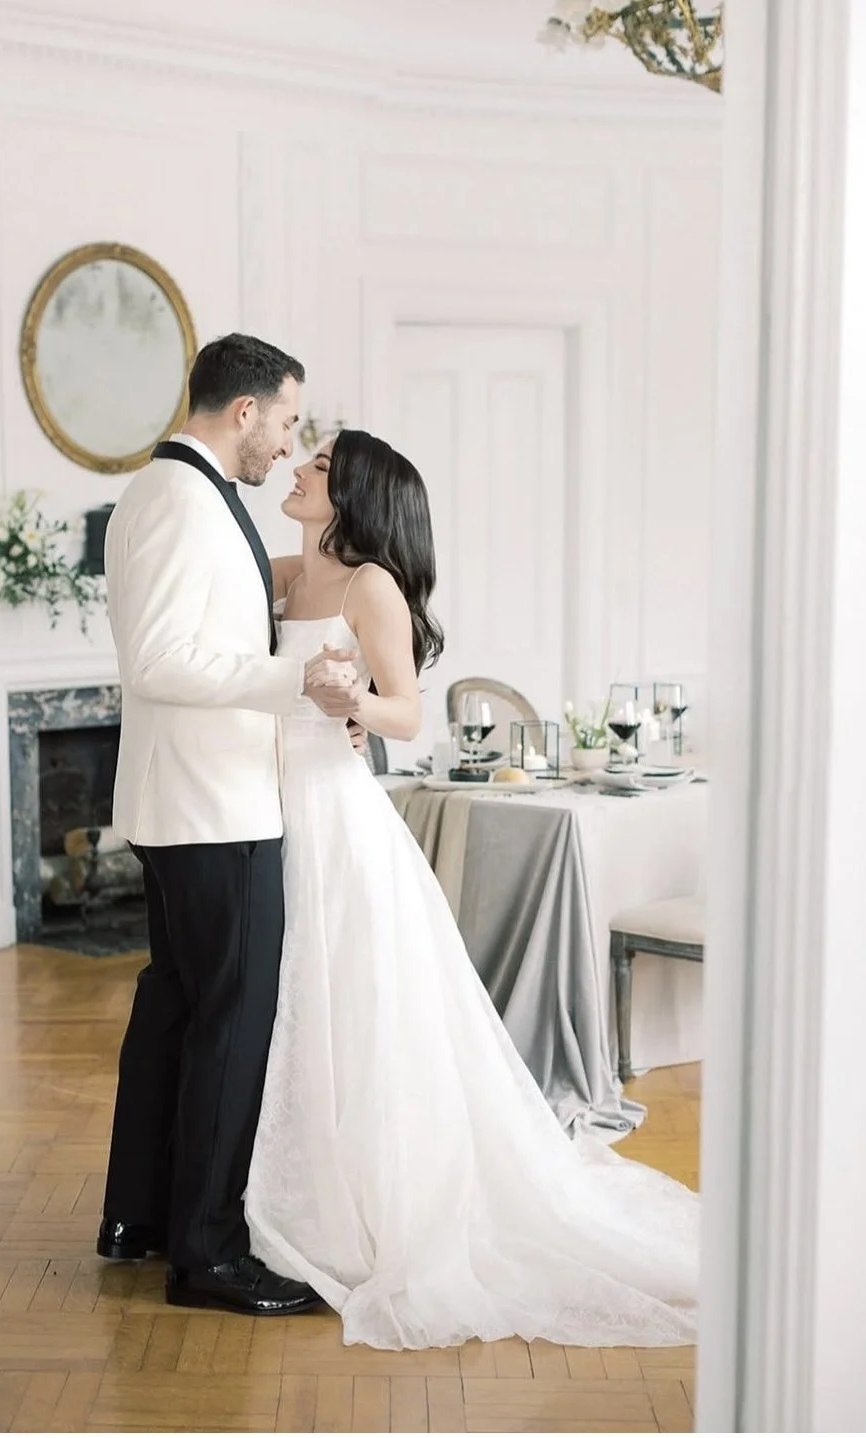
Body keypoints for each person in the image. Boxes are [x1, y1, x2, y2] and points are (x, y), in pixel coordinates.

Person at [243, 428, 700, 1350]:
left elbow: (406, 714)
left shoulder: (370, 586)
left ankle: (364, 1202)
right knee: (289, 999)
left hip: (336, 817)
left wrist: (353, 704)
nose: (297, 468)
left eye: (318, 466)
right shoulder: (287, 575)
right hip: (269, 801)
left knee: (348, 999)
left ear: (356, 493)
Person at [98, 334, 361, 1318]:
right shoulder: (180, 498)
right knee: (231, 1019)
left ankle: (141, 1218)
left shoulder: (171, 491)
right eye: (286, 421)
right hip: (214, 804)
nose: (288, 442)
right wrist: (300, 680)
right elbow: (159, 661)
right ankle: (207, 1253)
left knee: (175, 1005)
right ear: (244, 410)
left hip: (187, 799)